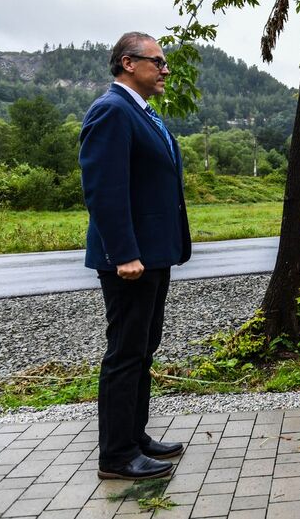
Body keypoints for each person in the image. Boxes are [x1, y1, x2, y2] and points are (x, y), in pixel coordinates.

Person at [80, 32, 191, 480]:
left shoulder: (142, 112)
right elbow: (104, 190)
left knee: (144, 349)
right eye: (158, 62)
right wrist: (124, 252)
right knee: (125, 353)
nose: (165, 70)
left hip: (153, 255)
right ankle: (116, 456)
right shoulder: (112, 110)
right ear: (129, 63)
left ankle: (136, 437)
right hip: (130, 261)